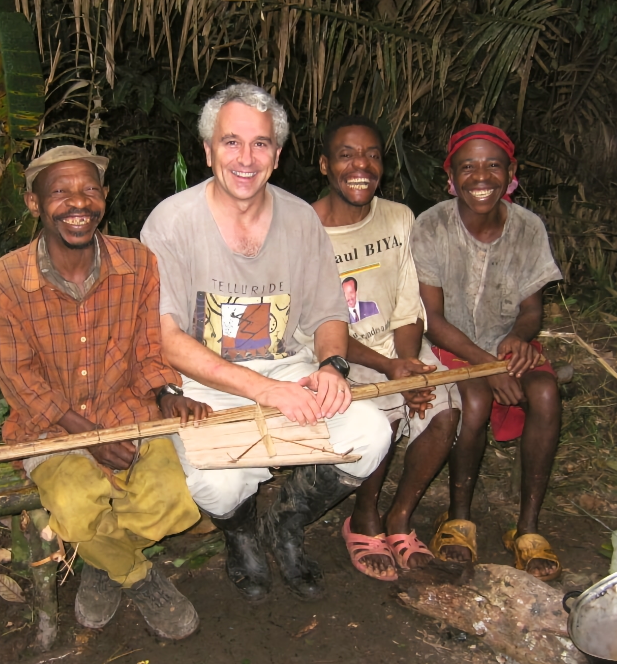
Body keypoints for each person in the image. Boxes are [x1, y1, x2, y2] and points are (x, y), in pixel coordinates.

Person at [141, 84, 392, 602]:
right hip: (205, 379)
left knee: (370, 436)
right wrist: (264, 392)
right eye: (230, 142)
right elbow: (167, 340)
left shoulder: (300, 219)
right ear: (208, 150)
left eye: (260, 144)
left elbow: (327, 312)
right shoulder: (172, 222)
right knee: (216, 485)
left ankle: (286, 522)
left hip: (288, 368)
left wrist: (331, 366)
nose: (245, 158)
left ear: (277, 156)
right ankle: (241, 534)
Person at [0, 145, 211, 640]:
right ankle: (139, 575)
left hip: (128, 413)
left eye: (88, 189)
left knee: (171, 504)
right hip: (49, 429)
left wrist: (166, 391)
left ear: (104, 197)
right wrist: (88, 438)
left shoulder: (137, 262)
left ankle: (102, 563)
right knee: (78, 509)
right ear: (34, 203)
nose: (76, 202)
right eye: (59, 192)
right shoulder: (5, 281)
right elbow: (19, 380)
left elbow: (151, 345)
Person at [410, 124, 564, 580]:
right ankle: (458, 519)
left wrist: (518, 337)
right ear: (451, 177)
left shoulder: (528, 227)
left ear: (511, 173)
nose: (482, 176)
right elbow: (433, 321)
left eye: (493, 165)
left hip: (505, 346)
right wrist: (487, 365)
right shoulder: (432, 225)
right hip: (451, 346)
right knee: (474, 400)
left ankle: (528, 529)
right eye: (468, 167)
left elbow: (532, 309)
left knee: (547, 393)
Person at [311, 115, 461, 580]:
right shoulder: (305, 229)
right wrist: (389, 369)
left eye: (372, 155)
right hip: (337, 355)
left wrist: (410, 364)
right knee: (384, 413)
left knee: (443, 411)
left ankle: (400, 516)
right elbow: (317, 324)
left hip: (397, 347)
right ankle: (366, 516)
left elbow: (406, 300)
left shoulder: (398, 217)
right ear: (324, 165)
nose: (361, 165)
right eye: (346, 155)